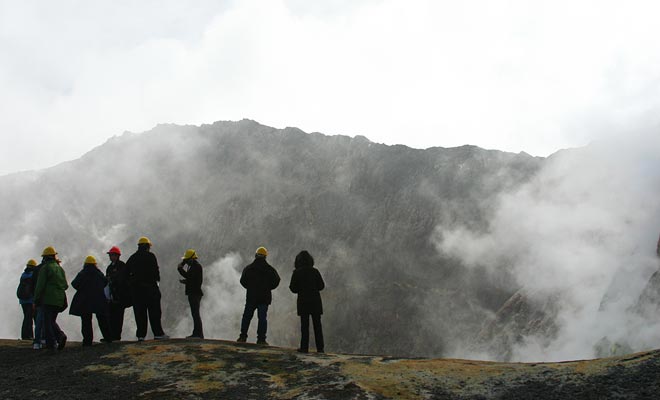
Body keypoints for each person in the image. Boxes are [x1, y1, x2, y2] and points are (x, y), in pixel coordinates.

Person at [126, 237, 169, 341]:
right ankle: (158, 333)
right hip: (150, 290)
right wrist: (156, 282)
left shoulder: (133, 257)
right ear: (148, 246)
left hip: (137, 291)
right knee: (154, 312)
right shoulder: (151, 256)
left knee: (140, 314)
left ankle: (141, 335)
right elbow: (156, 271)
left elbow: (125, 273)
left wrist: (131, 284)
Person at [237, 246, 280, 345]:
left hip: (251, 297)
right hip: (264, 298)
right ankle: (261, 339)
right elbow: (277, 280)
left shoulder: (249, 268)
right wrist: (268, 287)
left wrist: (250, 287)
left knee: (247, 317)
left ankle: (243, 336)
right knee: (262, 318)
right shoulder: (270, 270)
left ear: (256, 255)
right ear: (265, 257)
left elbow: (242, 281)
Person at [70, 256, 113, 346]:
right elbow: (105, 282)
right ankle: (108, 338)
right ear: (95, 265)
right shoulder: (98, 273)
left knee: (86, 320)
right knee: (102, 319)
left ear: (85, 264)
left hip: (85, 300)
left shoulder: (82, 273)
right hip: (98, 299)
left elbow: (74, 284)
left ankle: (87, 341)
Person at [289, 250, 325, 353]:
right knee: (317, 326)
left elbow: (293, 288)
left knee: (304, 326)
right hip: (315, 302)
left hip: (303, 302)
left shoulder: (297, 272)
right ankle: (320, 348)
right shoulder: (315, 271)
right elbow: (321, 286)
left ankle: (304, 347)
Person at [34, 246, 68, 351]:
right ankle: (60, 336)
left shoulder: (45, 268)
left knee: (47, 322)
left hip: (48, 299)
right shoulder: (60, 268)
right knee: (51, 320)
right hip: (59, 300)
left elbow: (40, 285)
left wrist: (36, 299)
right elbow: (65, 285)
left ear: (45, 258)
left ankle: (51, 344)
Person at [105, 246, 131, 341]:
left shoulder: (122, 266)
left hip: (120, 297)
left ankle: (116, 336)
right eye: (110, 255)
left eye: (112, 255)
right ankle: (111, 336)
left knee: (118, 317)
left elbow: (123, 280)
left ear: (117, 256)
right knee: (110, 316)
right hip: (112, 297)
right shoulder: (109, 267)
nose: (111, 257)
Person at [177, 249, 204, 339]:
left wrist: (180, 268)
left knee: (195, 314)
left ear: (191, 259)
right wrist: (186, 282)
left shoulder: (196, 267)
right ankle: (196, 333)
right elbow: (192, 280)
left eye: (187, 260)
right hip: (194, 293)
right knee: (195, 313)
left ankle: (198, 334)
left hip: (194, 293)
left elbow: (189, 276)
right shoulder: (194, 267)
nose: (186, 262)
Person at [16, 259, 38, 340]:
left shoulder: (23, 275)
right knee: (30, 318)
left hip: (23, 300)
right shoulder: (33, 275)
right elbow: (34, 289)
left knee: (27, 317)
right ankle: (28, 336)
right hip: (30, 300)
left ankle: (26, 335)